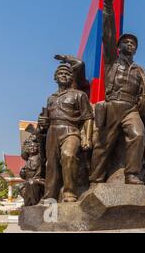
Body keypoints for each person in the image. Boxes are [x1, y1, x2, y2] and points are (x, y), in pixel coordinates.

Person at [90, 0, 145, 185]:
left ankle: (132, 174)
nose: (130, 44)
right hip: (112, 105)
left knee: (137, 135)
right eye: (126, 41)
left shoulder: (140, 70)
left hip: (130, 109)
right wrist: (108, 3)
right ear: (118, 46)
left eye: (133, 43)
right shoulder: (111, 61)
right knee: (103, 143)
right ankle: (95, 180)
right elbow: (107, 30)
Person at [39, 63, 94, 202]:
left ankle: (70, 192)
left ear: (72, 77)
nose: (63, 75)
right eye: (60, 73)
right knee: (51, 164)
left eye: (67, 73)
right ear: (55, 77)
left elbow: (88, 118)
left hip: (70, 130)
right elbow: (46, 120)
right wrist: (43, 123)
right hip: (52, 132)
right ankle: (50, 195)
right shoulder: (50, 98)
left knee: (68, 155)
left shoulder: (79, 95)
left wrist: (87, 138)